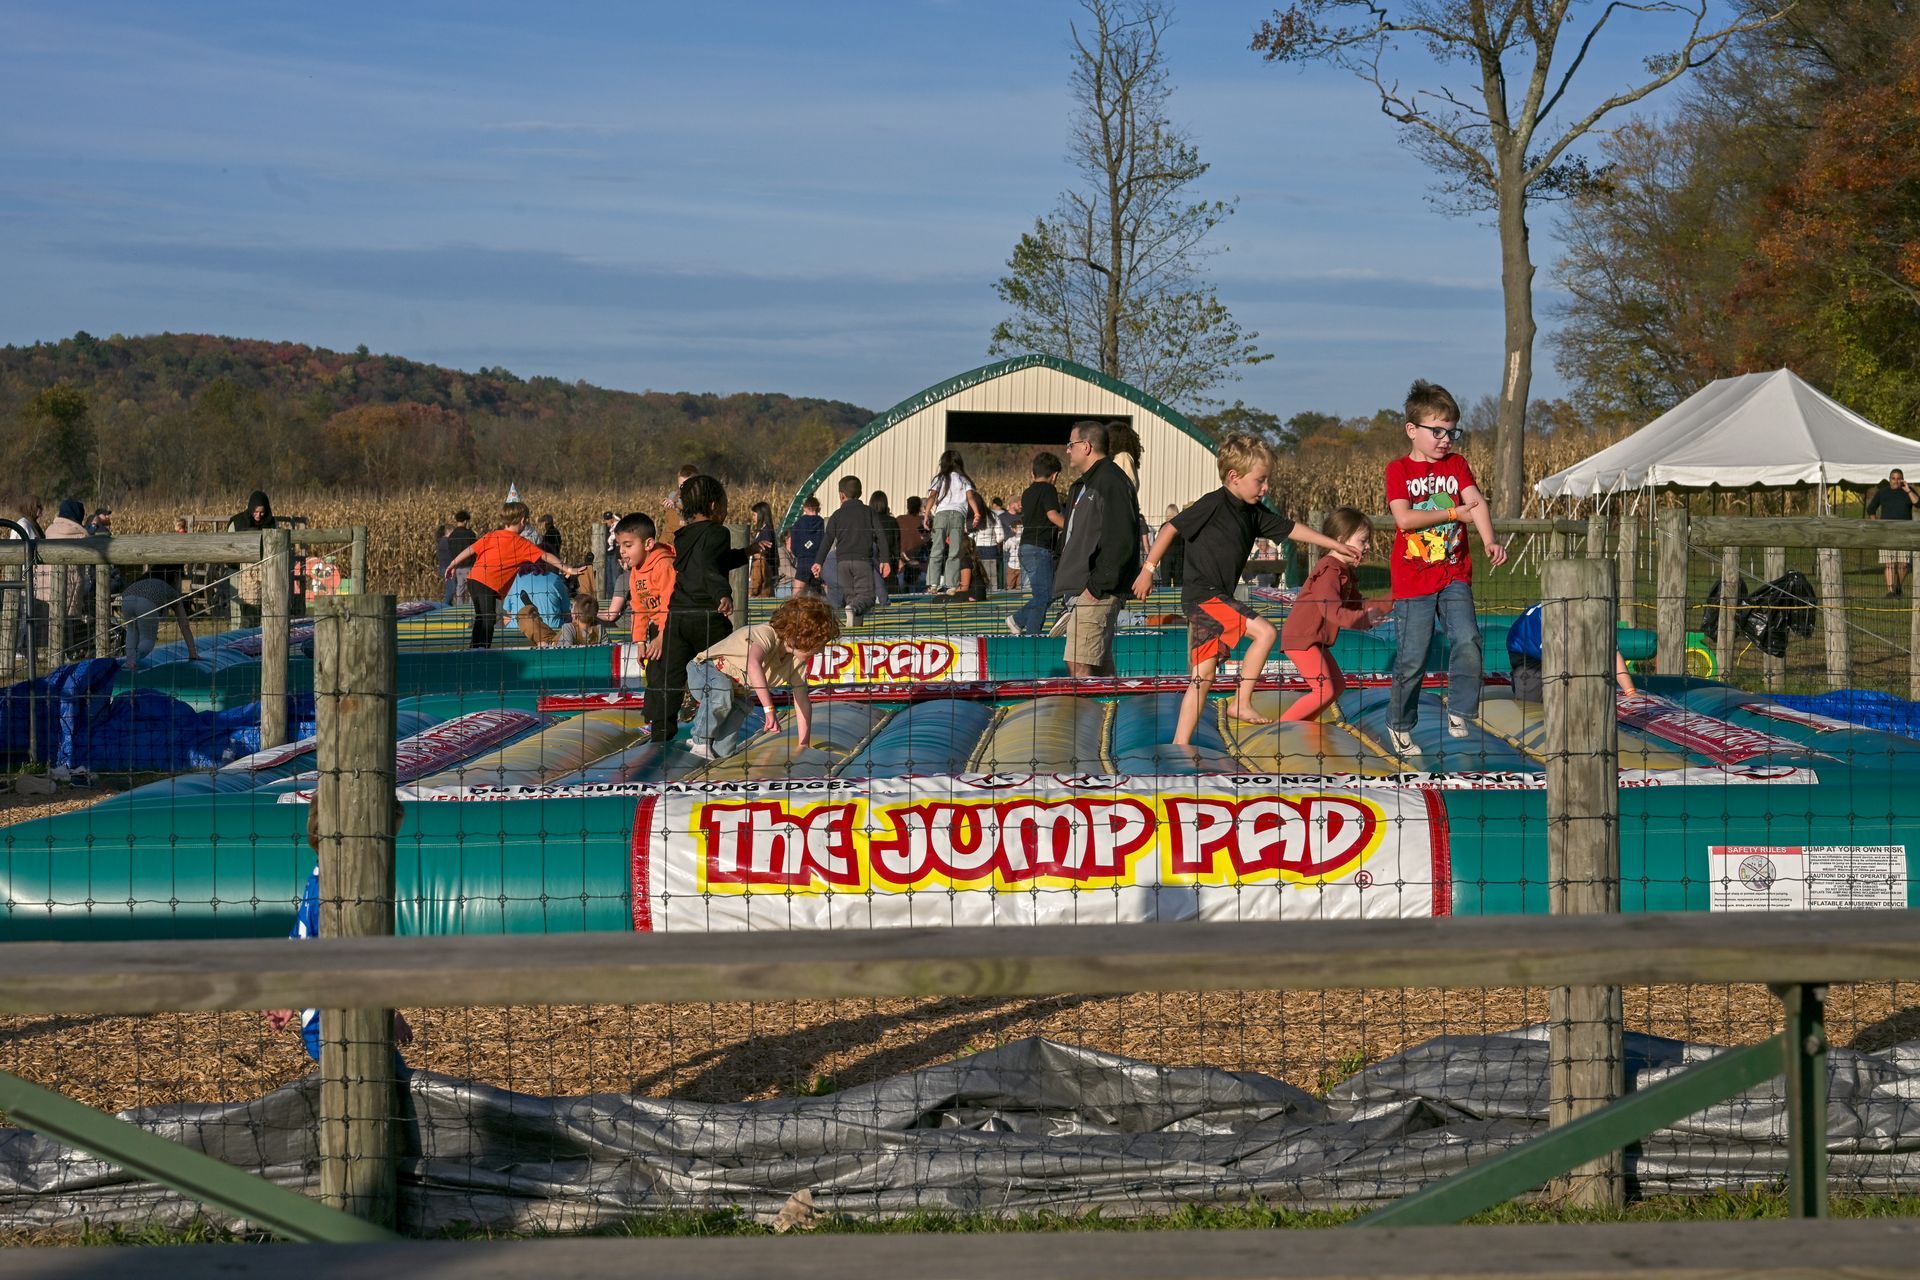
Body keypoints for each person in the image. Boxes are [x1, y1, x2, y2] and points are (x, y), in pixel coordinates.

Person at [1135, 434, 1357, 744]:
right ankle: (1241, 701)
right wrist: (1148, 570)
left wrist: (1333, 543)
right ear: (1234, 477)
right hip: (1204, 596)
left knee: (1203, 678)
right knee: (1265, 633)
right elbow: (1172, 527)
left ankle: (1179, 744)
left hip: (1214, 598)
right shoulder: (1213, 504)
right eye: (1260, 480)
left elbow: (1292, 528)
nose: (1266, 487)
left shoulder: (1252, 514)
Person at [1383, 379, 1507, 757]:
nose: (1445, 439)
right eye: (1436, 431)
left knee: (1468, 638)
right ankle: (1399, 723)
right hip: (1414, 576)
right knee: (1412, 658)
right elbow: (1404, 520)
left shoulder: (1457, 465)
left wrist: (1488, 539)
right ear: (1412, 430)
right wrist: (1453, 512)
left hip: (1454, 572)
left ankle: (1460, 709)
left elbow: (1477, 503)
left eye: (1451, 431)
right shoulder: (1398, 470)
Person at [265, 801, 413, 1063]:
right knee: (389, 1088)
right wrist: (386, 1014)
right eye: (381, 842)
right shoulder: (335, 896)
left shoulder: (319, 880)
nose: (385, 851)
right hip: (339, 1027)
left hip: (334, 1022)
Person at [657, 474, 759, 748]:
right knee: (726, 674)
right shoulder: (718, 532)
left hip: (678, 615)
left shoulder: (684, 535)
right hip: (706, 615)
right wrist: (722, 594)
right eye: (725, 504)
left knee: (671, 679)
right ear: (714, 505)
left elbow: (711, 560)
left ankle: (660, 739)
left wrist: (746, 552)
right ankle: (707, 740)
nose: (727, 510)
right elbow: (710, 569)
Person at [683, 593, 840, 761]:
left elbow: (802, 700)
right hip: (706, 671)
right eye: (820, 644)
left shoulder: (797, 663)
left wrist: (804, 744)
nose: (821, 651)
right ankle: (700, 741)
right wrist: (769, 709)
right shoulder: (767, 634)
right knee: (720, 691)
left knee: (724, 749)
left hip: (736, 695)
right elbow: (753, 664)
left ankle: (715, 753)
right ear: (801, 637)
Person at [1279, 509, 1390, 723]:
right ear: (1340, 540)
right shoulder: (1329, 571)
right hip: (1302, 639)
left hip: (1315, 640)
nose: (1368, 547)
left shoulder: (1344, 571)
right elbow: (1332, 611)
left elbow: (1360, 605)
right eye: (1363, 541)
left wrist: (1395, 597)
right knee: (1324, 690)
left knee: (1337, 686)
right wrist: (1361, 620)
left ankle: (1301, 724)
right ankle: (1281, 731)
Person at [1053, 422, 1146, 678]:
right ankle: (1111, 711)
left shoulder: (1111, 481)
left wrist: (1096, 587)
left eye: (1071, 444)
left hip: (1096, 590)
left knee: (1079, 666)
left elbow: (1121, 540)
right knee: (1099, 665)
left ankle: (1086, 716)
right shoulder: (1085, 485)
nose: (1068, 450)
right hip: (1085, 588)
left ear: (1086, 446)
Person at [443, 501, 587, 649]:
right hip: (487, 582)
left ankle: (476, 647)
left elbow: (471, 549)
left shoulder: (493, 535)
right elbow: (546, 556)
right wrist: (568, 569)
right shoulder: (521, 543)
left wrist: (453, 563)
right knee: (488, 617)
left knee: (482, 617)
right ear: (523, 520)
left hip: (474, 579)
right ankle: (481, 649)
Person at [601, 513, 677, 737]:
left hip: (673, 625)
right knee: (652, 674)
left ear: (648, 543)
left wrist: (663, 635)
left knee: (666, 676)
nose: (622, 551)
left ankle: (665, 726)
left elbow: (670, 604)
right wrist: (640, 641)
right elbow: (639, 607)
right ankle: (655, 722)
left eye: (628, 545)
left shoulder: (664, 565)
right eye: (619, 546)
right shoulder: (636, 571)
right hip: (656, 627)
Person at [1505, 603, 1636, 701]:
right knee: (1531, 703)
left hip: (1554, 642)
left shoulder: (1597, 618)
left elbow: (1612, 653)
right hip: (1525, 651)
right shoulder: (1555, 624)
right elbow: (1559, 661)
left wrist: (1630, 691)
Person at [815, 475, 890, 627]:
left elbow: (827, 539)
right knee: (867, 597)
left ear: (841, 495)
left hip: (842, 562)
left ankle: (854, 628)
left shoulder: (836, 515)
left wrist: (818, 561)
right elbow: (881, 536)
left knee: (851, 597)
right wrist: (885, 560)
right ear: (861, 493)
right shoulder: (869, 512)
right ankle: (853, 610)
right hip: (862, 561)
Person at [1009, 452, 1066, 636]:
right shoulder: (1048, 490)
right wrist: (1073, 527)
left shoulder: (1028, 492)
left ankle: (1029, 630)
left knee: (1041, 595)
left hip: (1025, 546)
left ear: (1033, 473)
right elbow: (1051, 515)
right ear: (1055, 475)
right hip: (1040, 547)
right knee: (1046, 595)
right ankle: (1019, 621)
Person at [924, 450, 987, 593]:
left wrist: (927, 514)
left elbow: (932, 497)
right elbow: (970, 498)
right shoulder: (964, 479)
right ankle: (951, 584)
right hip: (958, 516)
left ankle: (933, 583)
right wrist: (977, 513)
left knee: (937, 549)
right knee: (955, 551)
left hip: (941, 515)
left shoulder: (939, 478)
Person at [120, 564, 199, 672]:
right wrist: (192, 652)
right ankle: (135, 659)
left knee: (132, 630)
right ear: (175, 576)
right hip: (147, 603)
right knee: (147, 639)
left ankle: (129, 661)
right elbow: (184, 624)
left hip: (126, 599)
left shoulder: (142, 580)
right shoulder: (170, 590)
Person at [226, 489, 276, 627]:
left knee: (263, 608)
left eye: (262, 512)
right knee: (238, 609)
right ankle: (237, 637)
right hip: (238, 571)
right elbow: (228, 548)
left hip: (264, 572)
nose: (258, 516)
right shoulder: (237, 522)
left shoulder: (271, 522)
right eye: (255, 512)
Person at [1866, 469, 1914, 597]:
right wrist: (1877, 525)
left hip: (1905, 533)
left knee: (1904, 564)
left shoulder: (1908, 491)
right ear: (1889, 479)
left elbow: (1918, 503)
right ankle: (1890, 591)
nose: (1896, 481)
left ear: (1902, 479)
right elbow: (1871, 509)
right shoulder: (1882, 493)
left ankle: (1898, 587)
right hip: (1886, 532)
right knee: (1889, 563)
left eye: (1899, 478)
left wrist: (1908, 490)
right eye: (1893, 478)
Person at [505, 563, 573, 646]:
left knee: (508, 619)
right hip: (552, 635)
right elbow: (566, 612)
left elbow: (508, 612)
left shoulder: (514, 580)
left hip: (516, 635)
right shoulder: (555, 579)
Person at [786, 497, 826, 597]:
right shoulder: (823, 524)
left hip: (803, 563)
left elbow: (793, 547)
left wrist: (800, 554)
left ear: (805, 508)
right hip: (819, 564)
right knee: (819, 598)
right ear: (818, 508)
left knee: (795, 597)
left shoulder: (798, 524)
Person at [869, 490, 900, 608]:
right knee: (888, 592)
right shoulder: (892, 521)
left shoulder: (869, 521)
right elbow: (897, 546)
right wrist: (896, 564)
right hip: (888, 561)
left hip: (872, 560)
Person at [443, 510, 477, 606]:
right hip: (470, 565)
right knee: (471, 589)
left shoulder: (452, 536)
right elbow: (475, 549)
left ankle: (459, 608)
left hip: (458, 566)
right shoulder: (470, 534)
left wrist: (453, 566)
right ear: (466, 521)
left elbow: (450, 552)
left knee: (460, 588)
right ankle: (472, 608)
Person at [897, 496, 927, 594]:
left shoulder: (900, 520)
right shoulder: (924, 521)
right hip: (921, 565)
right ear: (920, 507)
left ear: (908, 506)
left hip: (903, 564)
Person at [749, 501, 779, 598]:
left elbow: (763, 553)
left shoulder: (766, 531)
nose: (752, 517)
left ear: (761, 515)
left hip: (764, 576)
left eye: (754, 515)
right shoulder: (762, 530)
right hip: (762, 575)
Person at [1159, 504, 1185, 589]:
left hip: (1166, 557)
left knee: (1165, 583)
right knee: (1179, 582)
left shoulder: (1164, 526)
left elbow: (1159, 542)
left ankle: (1164, 600)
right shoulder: (1181, 527)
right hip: (1179, 557)